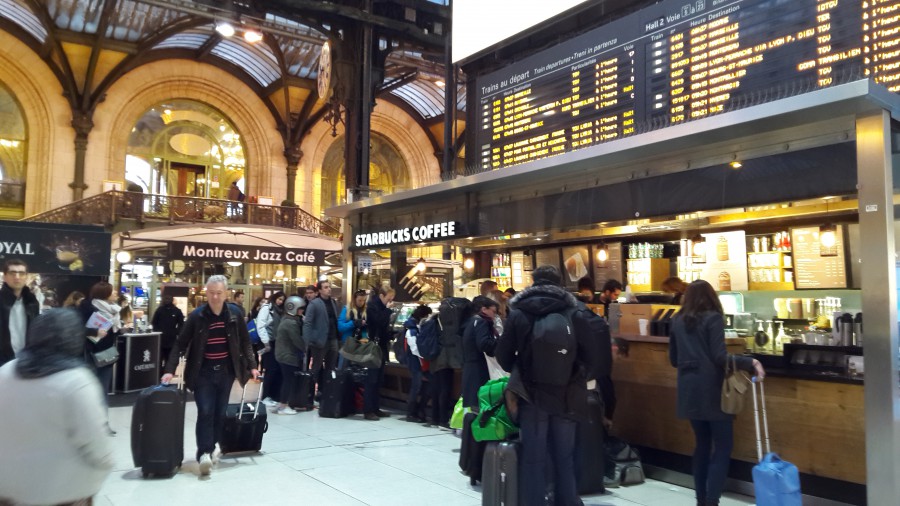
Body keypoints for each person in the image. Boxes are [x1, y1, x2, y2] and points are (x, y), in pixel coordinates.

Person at [495, 264, 600, 506]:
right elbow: (592, 356)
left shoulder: (519, 312)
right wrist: (572, 373)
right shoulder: (574, 311)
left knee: (534, 457)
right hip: (566, 393)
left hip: (531, 394)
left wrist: (522, 367)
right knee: (564, 456)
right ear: (559, 282)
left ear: (533, 281)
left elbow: (503, 356)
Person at [0, 308, 114, 505]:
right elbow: (99, 449)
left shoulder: (5, 373)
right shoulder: (76, 382)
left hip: (9, 491)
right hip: (63, 493)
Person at [668, 279, 765, 506]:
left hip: (688, 390)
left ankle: (701, 500)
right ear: (712, 297)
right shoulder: (713, 318)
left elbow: (673, 359)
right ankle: (712, 501)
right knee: (722, 447)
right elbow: (719, 357)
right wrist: (750, 361)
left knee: (701, 445)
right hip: (713, 390)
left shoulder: (677, 320)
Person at [161, 275, 259, 476]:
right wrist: (169, 370)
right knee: (205, 411)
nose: (215, 297)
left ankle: (211, 446)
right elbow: (181, 343)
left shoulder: (234, 314)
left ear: (226, 293)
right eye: (211, 293)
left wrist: (252, 366)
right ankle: (204, 453)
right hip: (202, 372)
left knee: (220, 413)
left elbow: (245, 343)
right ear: (206, 293)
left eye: (219, 293)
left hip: (226, 372)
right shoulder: (198, 316)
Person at [79, 281, 122, 433]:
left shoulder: (114, 310)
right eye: (113, 291)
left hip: (106, 353)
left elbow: (113, 332)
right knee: (89, 390)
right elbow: (77, 328)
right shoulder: (87, 307)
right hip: (90, 353)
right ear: (105, 294)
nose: (116, 293)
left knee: (103, 389)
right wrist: (94, 332)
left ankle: (103, 424)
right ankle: (87, 425)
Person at [303, 280, 341, 409]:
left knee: (330, 369)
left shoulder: (333, 302)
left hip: (333, 339)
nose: (329, 289)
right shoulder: (314, 304)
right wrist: (307, 340)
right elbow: (307, 323)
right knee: (316, 368)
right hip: (319, 341)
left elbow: (335, 320)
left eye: (329, 287)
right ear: (319, 290)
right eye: (325, 287)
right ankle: (309, 396)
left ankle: (326, 394)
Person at [461, 296, 500, 411]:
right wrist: (499, 341)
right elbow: (484, 344)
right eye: (493, 311)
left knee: (473, 408)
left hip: (470, 368)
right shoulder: (482, 322)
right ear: (484, 309)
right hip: (479, 369)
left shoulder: (471, 321)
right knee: (479, 407)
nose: (494, 315)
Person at [0, 259, 40, 366]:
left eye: (21, 273)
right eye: (12, 273)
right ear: (5, 277)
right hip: (3, 359)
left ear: (26, 277)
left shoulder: (32, 301)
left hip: (27, 358)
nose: (17, 277)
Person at [364, 285, 395, 419]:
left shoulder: (381, 307)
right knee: (372, 378)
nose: (390, 302)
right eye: (389, 299)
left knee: (378, 379)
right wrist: (388, 310)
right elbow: (378, 322)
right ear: (382, 296)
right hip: (374, 346)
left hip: (381, 346)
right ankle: (368, 409)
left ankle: (376, 407)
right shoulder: (372, 306)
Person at [274, 295, 306, 415]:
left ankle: (281, 402)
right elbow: (297, 340)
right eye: (300, 308)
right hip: (287, 355)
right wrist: (305, 348)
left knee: (285, 380)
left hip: (282, 354)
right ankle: (283, 405)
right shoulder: (291, 323)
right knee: (288, 380)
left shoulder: (287, 319)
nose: (302, 311)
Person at [402, 304, 432, 422]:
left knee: (424, 386)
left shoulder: (416, 327)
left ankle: (419, 410)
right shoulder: (412, 330)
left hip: (421, 363)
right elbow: (415, 349)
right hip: (415, 363)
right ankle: (411, 413)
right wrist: (426, 354)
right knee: (416, 387)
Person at [256, 291, 285, 407]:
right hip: (267, 343)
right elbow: (260, 325)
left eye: (282, 300)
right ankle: (265, 396)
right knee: (270, 369)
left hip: (277, 343)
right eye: (279, 299)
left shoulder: (281, 311)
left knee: (276, 369)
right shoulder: (267, 308)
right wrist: (266, 341)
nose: (280, 302)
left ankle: (274, 395)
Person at [337, 289, 368, 370]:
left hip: (360, 345)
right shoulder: (347, 309)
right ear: (355, 299)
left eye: (364, 300)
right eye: (359, 300)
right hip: (348, 344)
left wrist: (365, 338)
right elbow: (340, 327)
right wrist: (353, 323)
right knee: (343, 369)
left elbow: (365, 330)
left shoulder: (365, 311)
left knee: (356, 371)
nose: (361, 303)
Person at [152, 295, 185, 369]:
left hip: (171, 340)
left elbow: (181, 324)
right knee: (158, 360)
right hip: (160, 340)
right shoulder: (159, 310)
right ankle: (158, 376)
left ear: (172, 300)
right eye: (166, 298)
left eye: (169, 298)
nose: (167, 300)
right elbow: (154, 322)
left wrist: (176, 332)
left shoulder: (176, 311)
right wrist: (157, 332)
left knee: (169, 361)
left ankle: (166, 377)